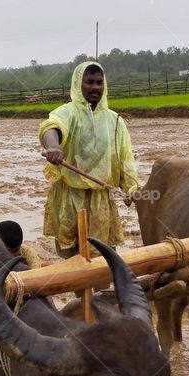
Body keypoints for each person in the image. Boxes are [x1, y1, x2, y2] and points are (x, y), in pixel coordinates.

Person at [38, 61, 139, 258]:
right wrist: (53, 146)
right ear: (78, 84)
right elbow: (51, 126)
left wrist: (132, 188)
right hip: (70, 196)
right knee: (72, 255)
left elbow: (125, 159)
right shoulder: (68, 112)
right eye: (89, 82)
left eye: (99, 83)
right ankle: (78, 287)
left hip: (101, 199)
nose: (95, 87)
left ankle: (100, 288)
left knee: (101, 254)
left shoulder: (115, 121)